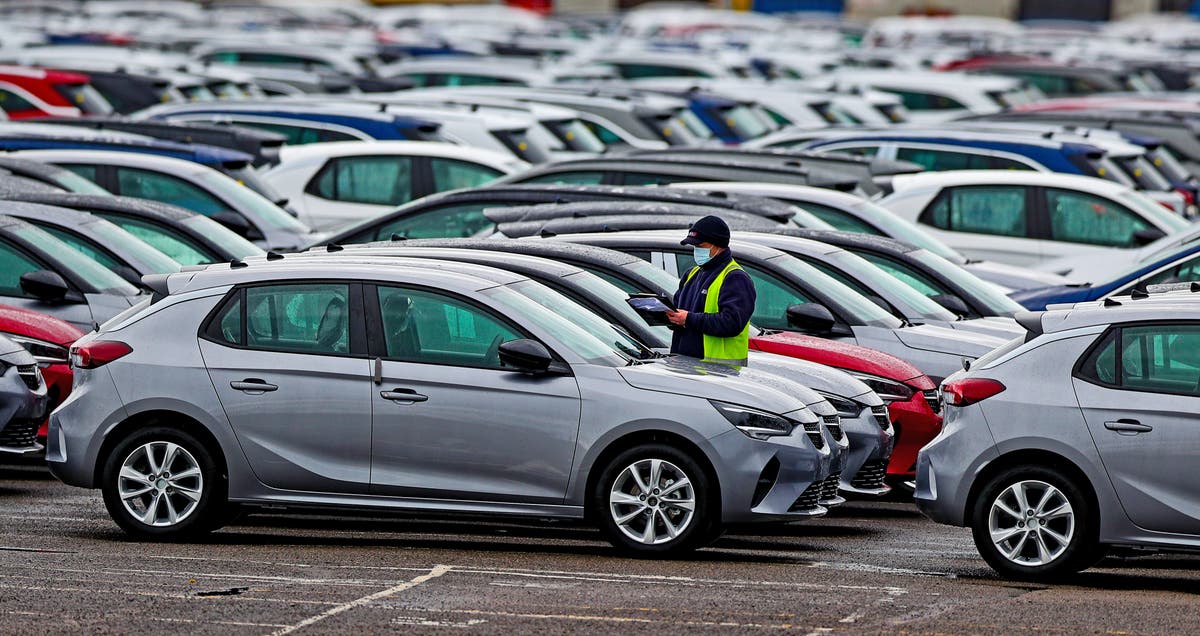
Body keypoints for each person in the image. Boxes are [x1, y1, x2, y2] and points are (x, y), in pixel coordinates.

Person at [664, 215, 757, 366]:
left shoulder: (735, 277)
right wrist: (668, 316)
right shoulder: (691, 274)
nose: (696, 250)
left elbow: (732, 323)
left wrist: (688, 319)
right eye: (694, 247)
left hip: (719, 372)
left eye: (700, 246)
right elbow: (678, 311)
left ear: (717, 246)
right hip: (684, 365)